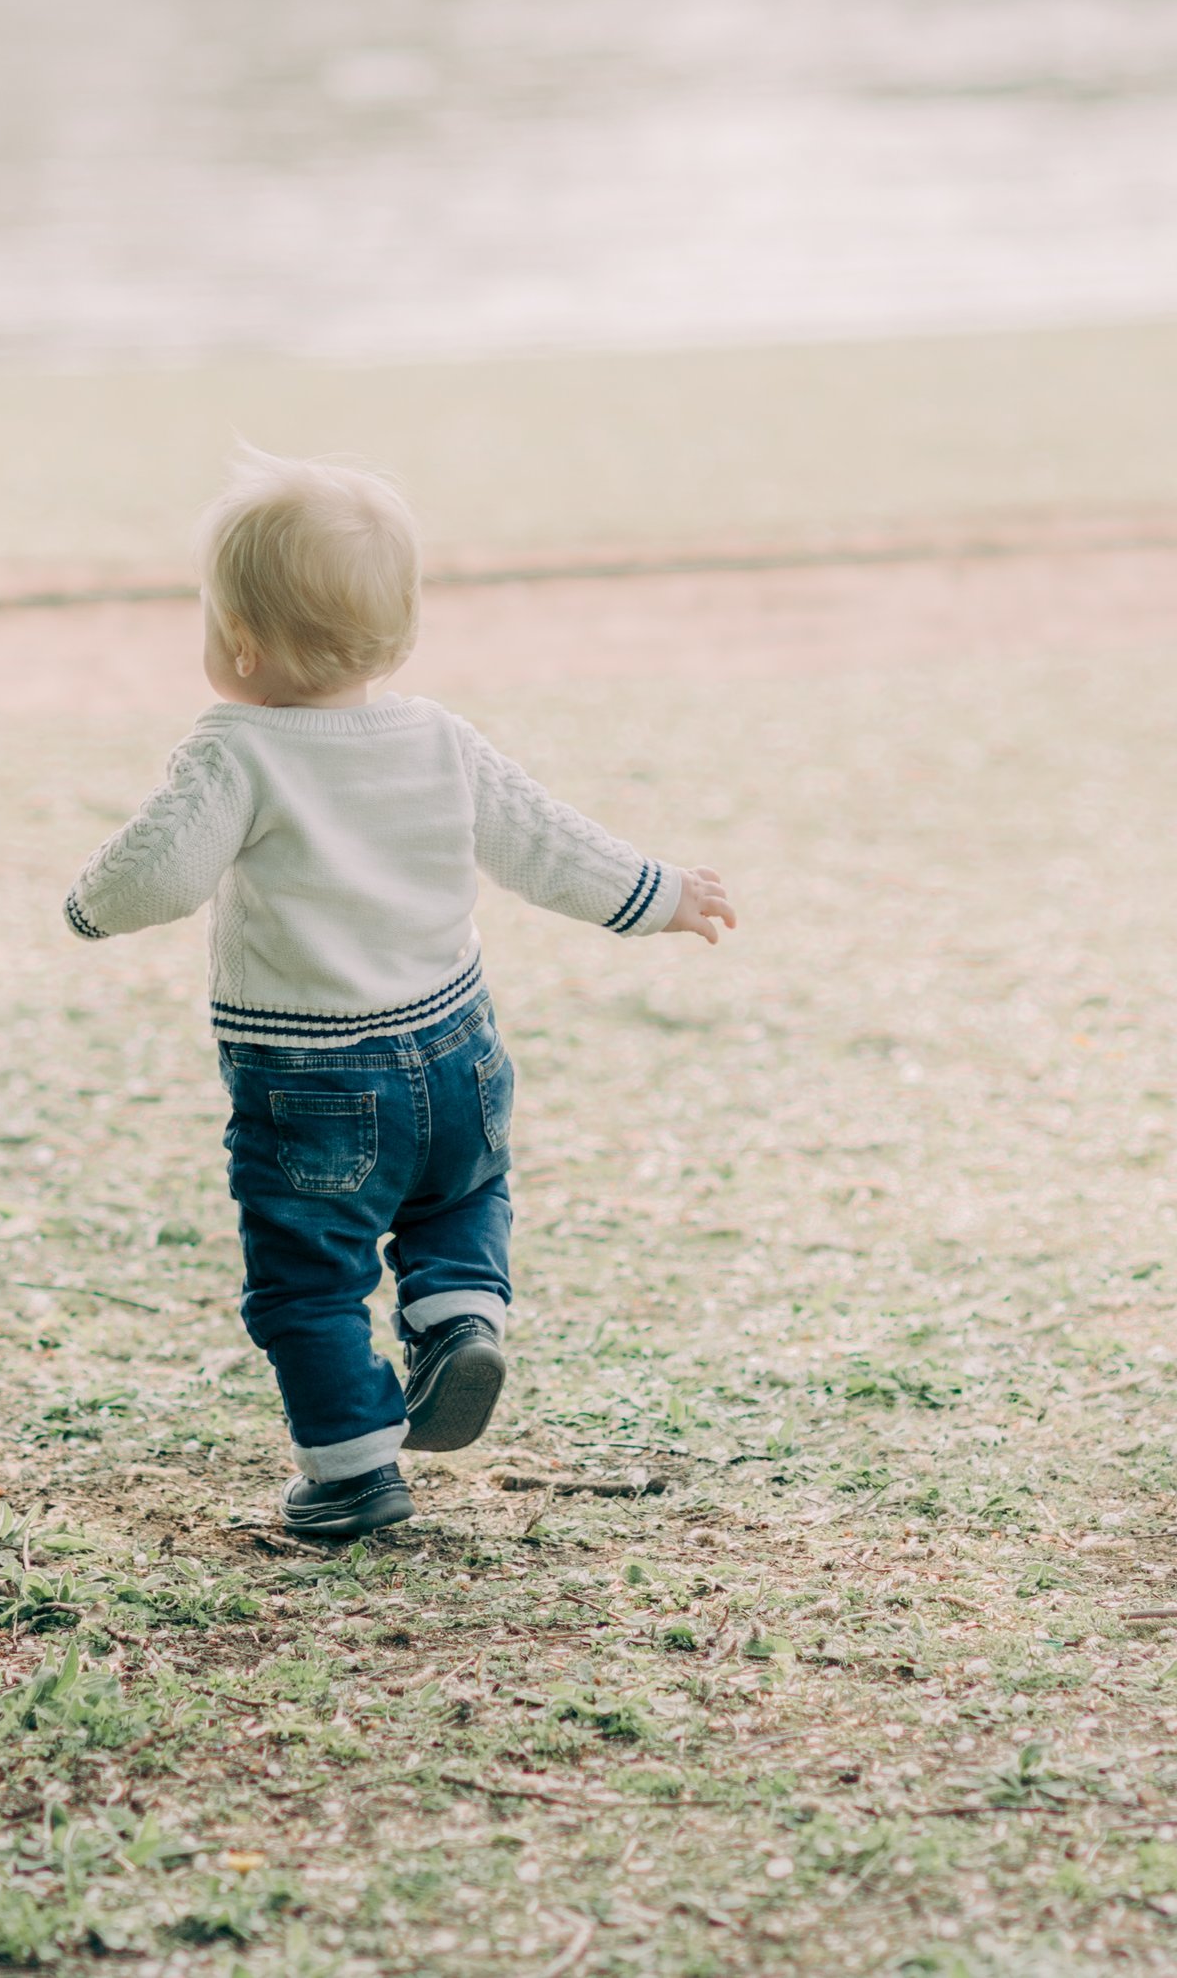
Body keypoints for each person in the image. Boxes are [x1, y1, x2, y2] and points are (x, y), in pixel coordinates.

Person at [63, 450, 735, 1545]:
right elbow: (546, 840)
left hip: (312, 1079)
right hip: (458, 1048)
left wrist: (90, 905)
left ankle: (353, 1472)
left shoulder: (235, 747)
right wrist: (659, 892)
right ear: (400, 631)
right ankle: (457, 1311)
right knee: (459, 1191)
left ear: (235, 640)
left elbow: (163, 872)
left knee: (308, 1278)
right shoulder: (436, 736)